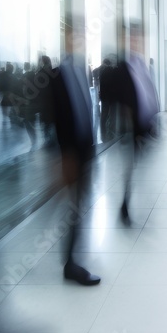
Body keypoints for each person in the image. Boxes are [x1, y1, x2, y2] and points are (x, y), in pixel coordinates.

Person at [51, 23, 101, 285]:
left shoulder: (82, 69)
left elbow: (86, 107)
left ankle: (72, 258)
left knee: (79, 204)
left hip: (85, 149)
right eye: (74, 35)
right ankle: (70, 264)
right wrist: (63, 156)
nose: (79, 39)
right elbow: (54, 118)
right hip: (70, 152)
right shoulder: (57, 74)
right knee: (73, 205)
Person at [115, 24, 159, 225]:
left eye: (138, 38)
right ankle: (124, 206)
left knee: (137, 165)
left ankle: (127, 203)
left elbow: (148, 92)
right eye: (132, 38)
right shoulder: (123, 67)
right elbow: (120, 98)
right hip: (131, 126)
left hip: (145, 124)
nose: (136, 42)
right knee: (130, 167)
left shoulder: (142, 65)